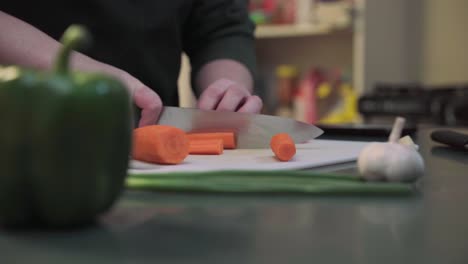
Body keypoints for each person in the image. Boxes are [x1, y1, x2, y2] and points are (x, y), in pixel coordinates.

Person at [0, 1, 263, 127]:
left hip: (150, 145)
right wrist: (80, 74)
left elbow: (221, 27)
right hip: (19, 131)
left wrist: (228, 88)